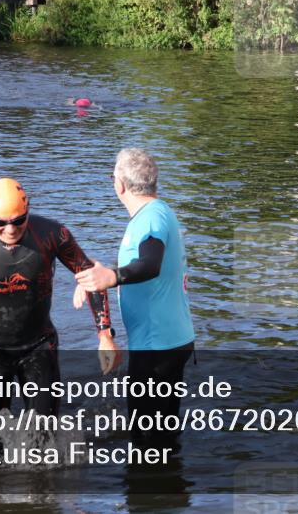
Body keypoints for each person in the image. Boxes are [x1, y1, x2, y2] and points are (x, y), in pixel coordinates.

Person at [0, 178, 121, 419]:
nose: (10, 230)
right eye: (0, 223)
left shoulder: (52, 234)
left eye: (18, 221)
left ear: (28, 210)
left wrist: (104, 335)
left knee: (44, 436)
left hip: (39, 346)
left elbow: (92, 276)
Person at [73, 148, 195, 448]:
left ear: (120, 185)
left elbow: (150, 264)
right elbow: (144, 264)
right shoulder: (158, 211)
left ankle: (147, 490)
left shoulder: (149, 220)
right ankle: (168, 488)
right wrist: (104, 272)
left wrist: (111, 277)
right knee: (162, 434)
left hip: (158, 347)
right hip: (169, 340)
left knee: (146, 440)